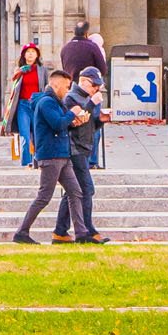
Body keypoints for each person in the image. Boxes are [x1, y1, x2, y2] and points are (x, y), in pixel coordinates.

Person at [11, 67, 98, 244]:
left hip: (62, 155)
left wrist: (74, 121)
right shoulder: (46, 103)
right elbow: (58, 124)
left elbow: (62, 123)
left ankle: (81, 233)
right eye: (66, 87)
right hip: (51, 156)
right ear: (56, 85)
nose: (68, 91)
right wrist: (72, 113)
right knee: (44, 196)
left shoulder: (56, 102)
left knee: (76, 192)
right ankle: (22, 232)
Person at [53, 66, 106, 243]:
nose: (96, 89)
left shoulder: (86, 97)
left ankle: (60, 231)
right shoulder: (72, 97)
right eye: (94, 85)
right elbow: (75, 122)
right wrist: (92, 104)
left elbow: (88, 124)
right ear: (84, 82)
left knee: (73, 191)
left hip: (83, 148)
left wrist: (100, 121)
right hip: (74, 149)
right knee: (86, 189)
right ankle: (87, 230)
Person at [5, 43, 45, 164]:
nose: (30, 54)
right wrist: (19, 73)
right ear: (23, 55)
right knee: (25, 136)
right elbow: (14, 87)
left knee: (38, 135)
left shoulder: (42, 70)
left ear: (37, 54)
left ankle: (38, 161)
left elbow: (46, 87)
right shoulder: (19, 70)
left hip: (37, 105)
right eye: (28, 52)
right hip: (23, 106)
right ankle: (26, 163)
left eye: (33, 51)